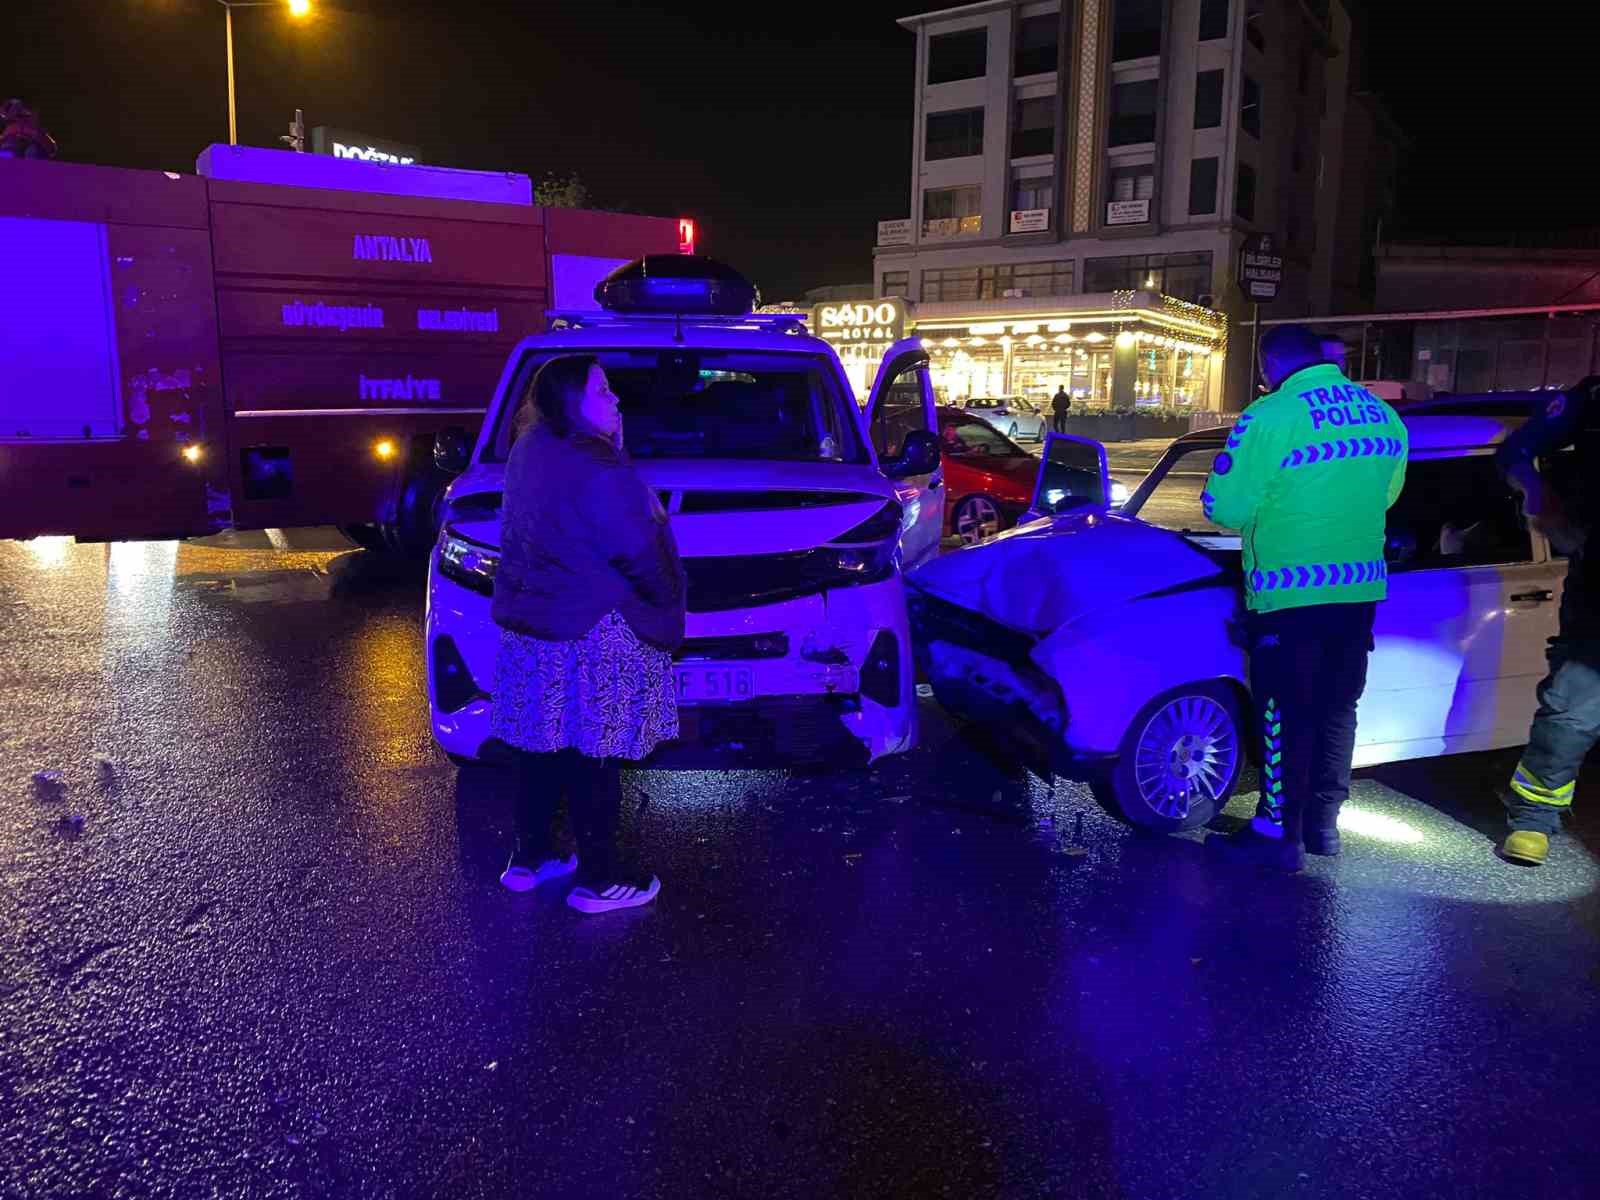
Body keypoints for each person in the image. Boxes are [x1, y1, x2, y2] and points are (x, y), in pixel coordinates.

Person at [1200, 325, 1409, 870]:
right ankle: (1322, 826)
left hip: (1289, 597)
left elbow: (1225, 508)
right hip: (1358, 592)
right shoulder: (1381, 415)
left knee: (1279, 711)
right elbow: (1387, 495)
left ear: (1270, 366)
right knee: (1338, 707)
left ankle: (1275, 834)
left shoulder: (1269, 417)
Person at [490, 354, 686, 912]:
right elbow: (641, 552)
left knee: (539, 742)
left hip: (535, 628)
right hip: (592, 631)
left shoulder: (529, 450)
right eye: (604, 391)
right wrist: (667, 606)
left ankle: (528, 861)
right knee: (594, 747)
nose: (616, 399)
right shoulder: (601, 471)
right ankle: (599, 881)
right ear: (572, 400)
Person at [1492, 376, 1600, 865]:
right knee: (1574, 706)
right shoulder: (1590, 401)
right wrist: (1541, 499)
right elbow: (1517, 452)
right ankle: (1534, 818)